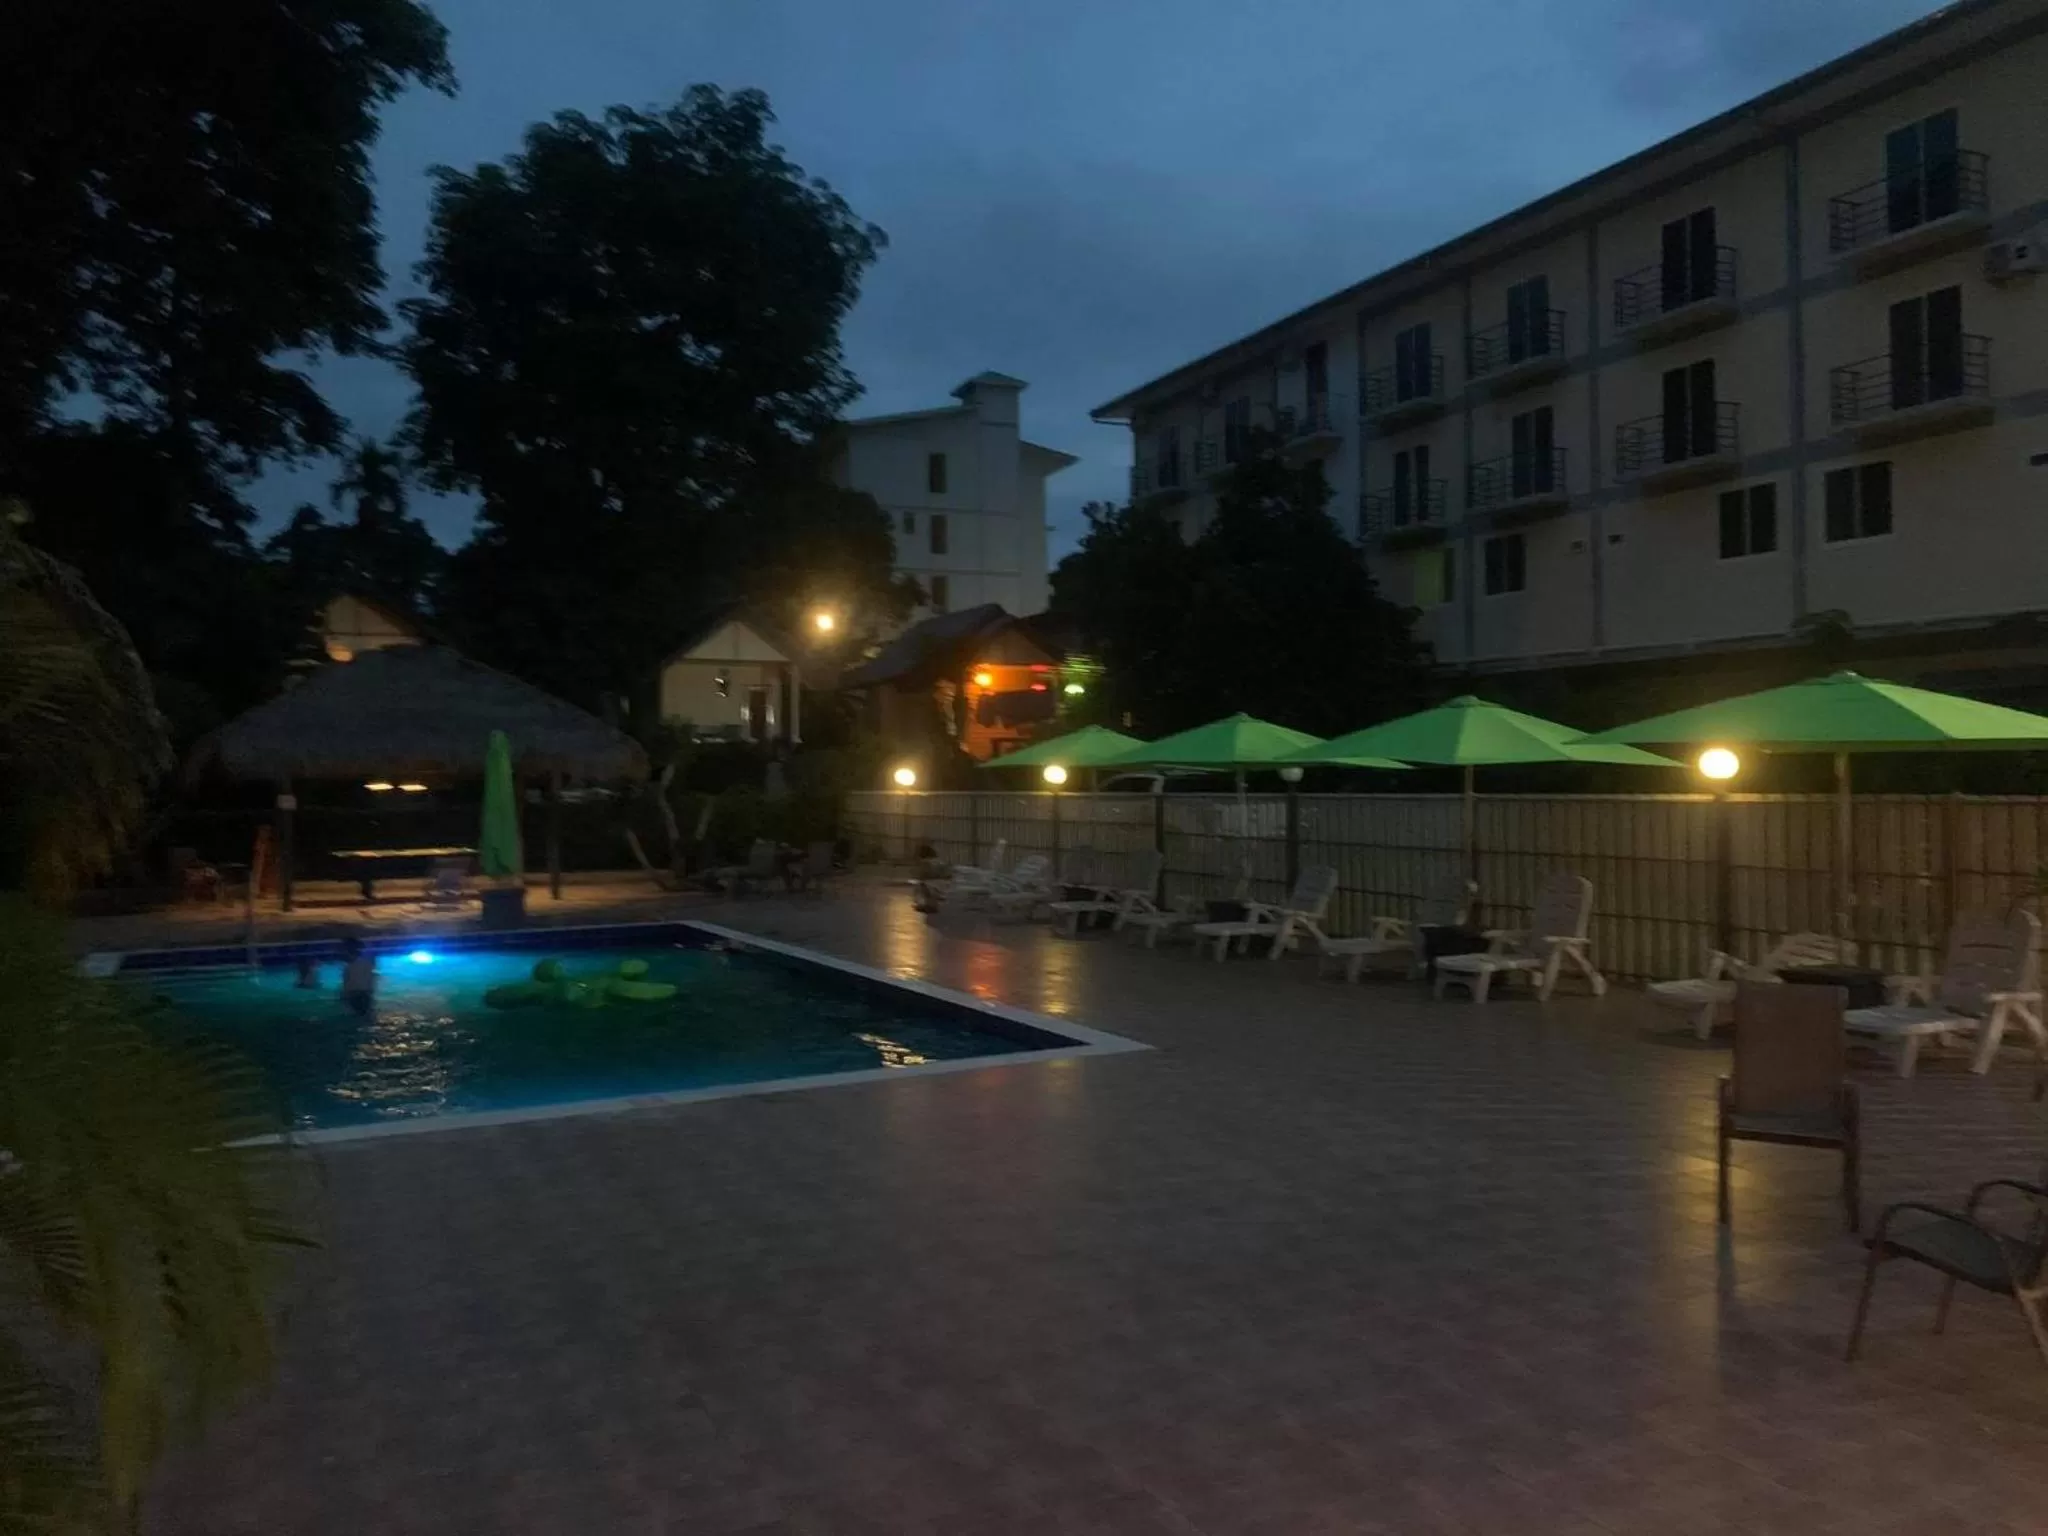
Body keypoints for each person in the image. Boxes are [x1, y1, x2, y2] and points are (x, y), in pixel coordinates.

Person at [339, 937, 377, 1017]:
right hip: (360, 990)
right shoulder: (367, 961)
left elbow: (346, 980)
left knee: (361, 1008)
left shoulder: (366, 961)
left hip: (358, 990)